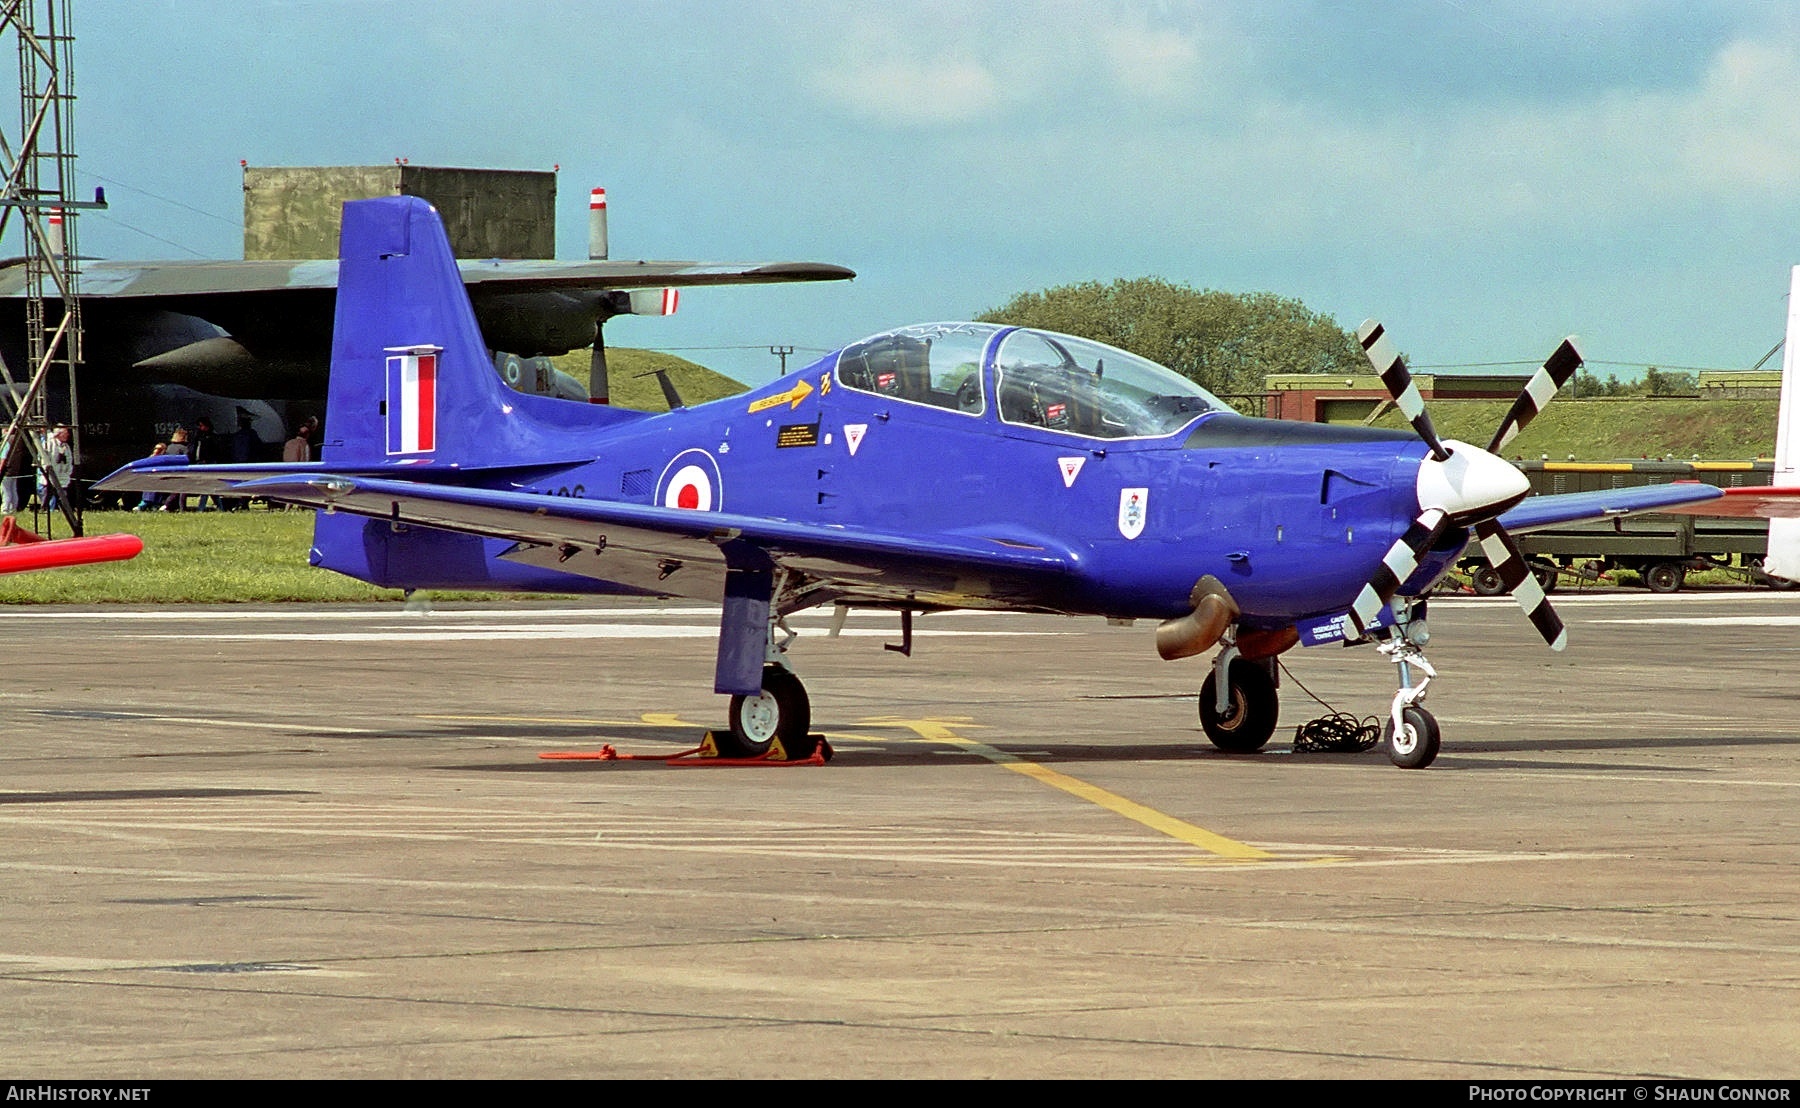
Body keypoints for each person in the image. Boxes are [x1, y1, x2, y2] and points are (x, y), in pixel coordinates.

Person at [36, 423, 73, 512]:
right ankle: (46, 509)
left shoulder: (66, 446)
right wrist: (47, 472)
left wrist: (68, 473)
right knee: (48, 496)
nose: (68, 435)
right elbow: (44, 459)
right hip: (50, 476)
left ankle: (63, 511)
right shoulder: (50, 444)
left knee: (62, 496)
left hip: (62, 477)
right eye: (65, 432)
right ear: (59, 434)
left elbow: (69, 461)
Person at [1, 427, 29, 515]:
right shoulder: (18, 441)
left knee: (5, 490)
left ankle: (5, 509)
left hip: (7, 470)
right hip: (15, 469)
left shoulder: (7, 441)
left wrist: (0, 468)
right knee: (13, 489)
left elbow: (3, 457)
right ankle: (14, 507)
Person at [132, 443, 168, 510]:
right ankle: (145, 503)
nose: (156, 450)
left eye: (159, 449)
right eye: (155, 448)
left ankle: (152, 504)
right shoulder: (150, 458)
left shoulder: (164, 459)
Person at [161, 428, 190, 511]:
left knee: (173, 490)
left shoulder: (169, 447)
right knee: (182, 491)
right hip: (180, 472)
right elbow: (187, 460)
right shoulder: (184, 448)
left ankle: (169, 506)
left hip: (169, 471)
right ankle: (181, 508)